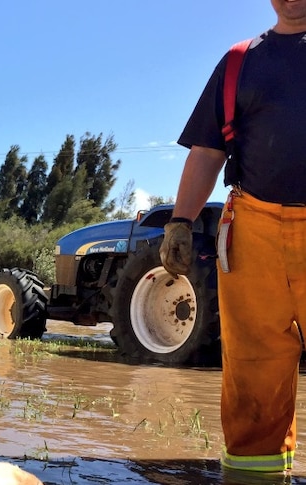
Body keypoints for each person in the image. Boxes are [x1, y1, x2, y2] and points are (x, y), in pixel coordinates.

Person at [160, 0, 306, 475]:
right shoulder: (240, 61)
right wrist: (180, 222)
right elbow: (207, 152)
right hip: (254, 232)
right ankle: (255, 474)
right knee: (253, 369)